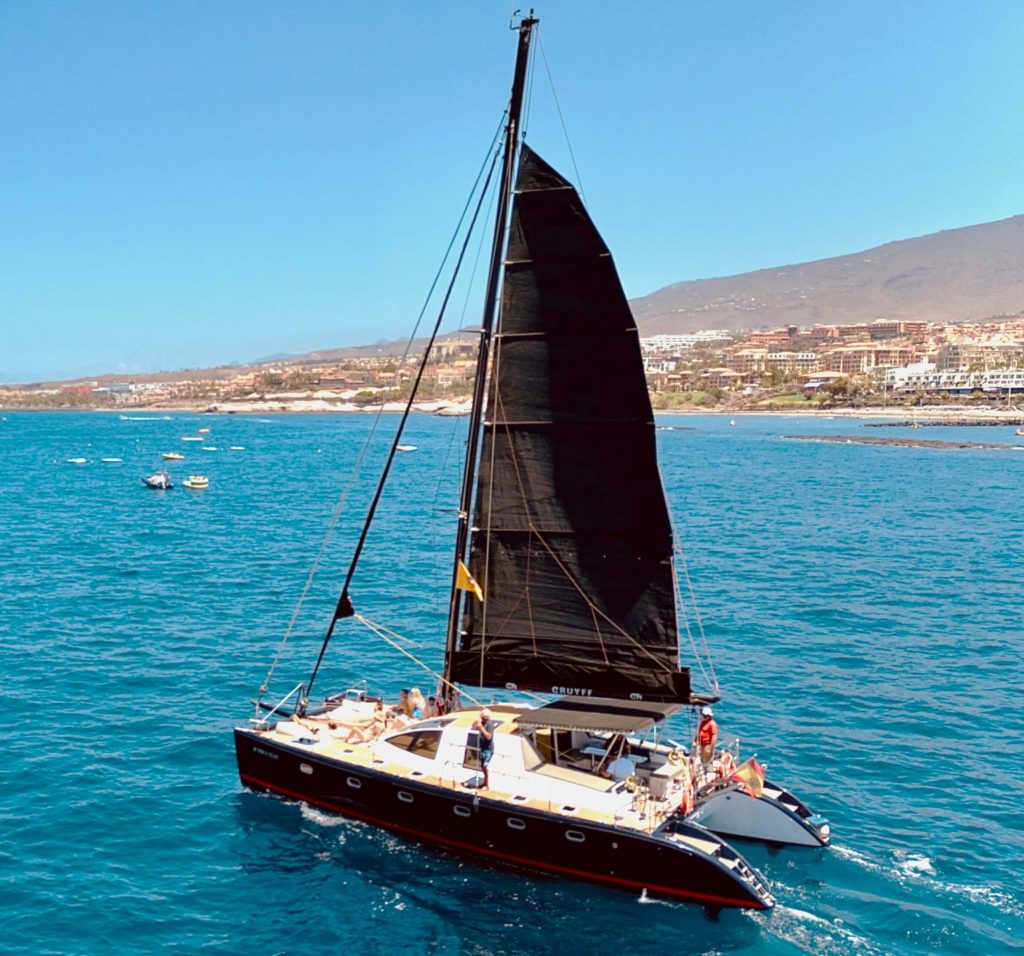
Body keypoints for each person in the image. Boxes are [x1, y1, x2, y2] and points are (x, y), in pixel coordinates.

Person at [473, 708, 495, 790]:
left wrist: (482, 728)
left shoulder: (489, 725)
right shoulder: (482, 723)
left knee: (485, 766)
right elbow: (474, 727)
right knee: (482, 766)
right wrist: (477, 724)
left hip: (487, 749)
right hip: (482, 748)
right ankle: (484, 783)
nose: (482, 718)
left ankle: (487, 785)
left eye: (483, 716)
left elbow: (489, 737)